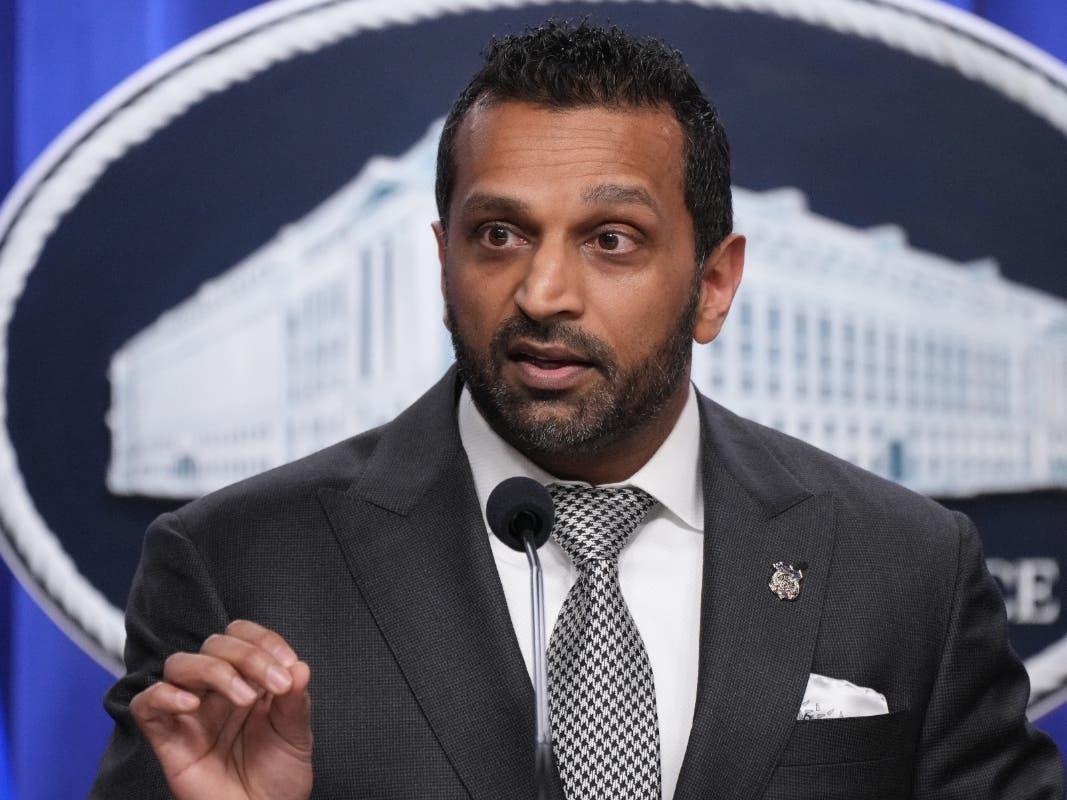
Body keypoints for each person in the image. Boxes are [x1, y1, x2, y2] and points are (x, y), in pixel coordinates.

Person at [91, 21, 1064, 800]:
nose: (542, 291)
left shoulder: (904, 567)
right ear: (442, 265)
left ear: (713, 284)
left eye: (609, 238)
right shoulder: (233, 564)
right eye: (499, 233)